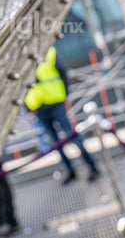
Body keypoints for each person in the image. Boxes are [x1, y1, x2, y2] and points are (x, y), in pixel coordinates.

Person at [24, 46, 100, 184]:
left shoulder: (49, 52)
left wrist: (64, 94)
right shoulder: (22, 57)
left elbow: (63, 72)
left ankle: (92, 166)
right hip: (39, 106)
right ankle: (70, 170)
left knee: (72, 136)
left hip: (55, 102)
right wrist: (28, 106)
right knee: (55, 142)